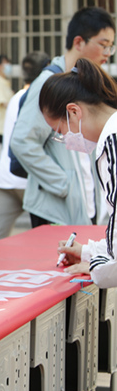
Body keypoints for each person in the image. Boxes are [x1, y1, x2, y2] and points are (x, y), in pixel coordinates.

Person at [10, 6, 115, 227]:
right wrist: (64, 184)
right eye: (103, 45)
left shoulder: (86, 83)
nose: (108, 53)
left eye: (111, 47)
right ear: (79, 42)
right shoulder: (49, 84)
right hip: (57, 209)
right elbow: (23, 141)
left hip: (87, 200)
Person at [40, 58, 117, 287]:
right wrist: (89, 253)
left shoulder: (112, 143)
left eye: (60, 131)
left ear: (73, 112)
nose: (64, 139)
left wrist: (96, 266)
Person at [0, 52, 50, 243]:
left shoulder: (16, 97)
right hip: (30, 180)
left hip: (7, 178)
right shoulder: (39, 98)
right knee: (46, 239)